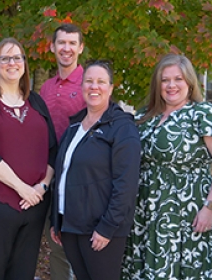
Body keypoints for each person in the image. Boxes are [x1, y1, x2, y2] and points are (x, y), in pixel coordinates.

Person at [121, 54, 212, 279]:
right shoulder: (145, 115)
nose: (171, 85)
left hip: (187, 211)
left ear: (189, 82)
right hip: (146, 209)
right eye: (165, 80)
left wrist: (210, 208)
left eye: (178, 79)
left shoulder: (204, 114)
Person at [0, 37, 57, 280]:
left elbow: (53, 150)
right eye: (5, 58)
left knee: (22, 274)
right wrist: (22, 188)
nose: (12, 63)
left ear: (24, 64)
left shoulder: (36, 101)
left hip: (34, 204)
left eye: (17, 57)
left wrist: (41, 187)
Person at [50, 61, 140, 280]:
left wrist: (107, 227)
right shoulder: (74, 126)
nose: (94, 87)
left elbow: (126, 184)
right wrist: (56, 220)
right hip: (71, 226)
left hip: (100, 229)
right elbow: (63, 174)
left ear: (110, 88)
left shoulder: (121, 128)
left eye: (101, 82)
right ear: (82, 87)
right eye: (89, 81)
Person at [39, 23, 85, 280]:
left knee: (77, 245)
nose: (66, 48)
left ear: (80, 48)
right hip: (49, 175)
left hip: (79, 178)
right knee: (55, 242)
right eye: (61, 43)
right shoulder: (46, 88)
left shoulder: (90, 84)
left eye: (71, 43)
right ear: (52, 47)